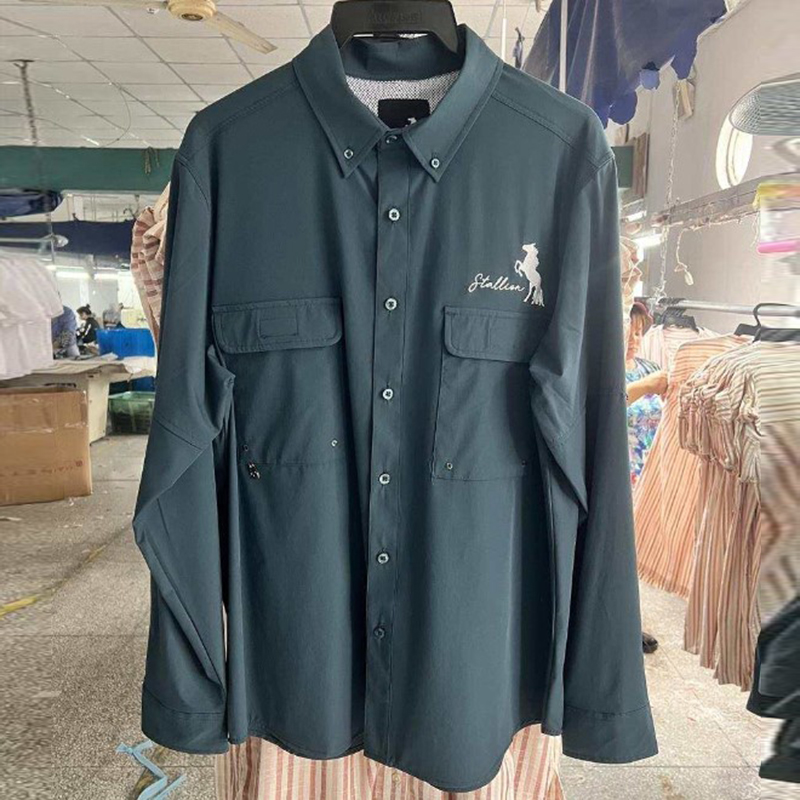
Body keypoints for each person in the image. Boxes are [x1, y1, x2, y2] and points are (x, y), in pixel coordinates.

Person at [625, 301, 668, 656]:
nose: (633, 340)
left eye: (639, 333)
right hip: (617, 473)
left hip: (647, 474)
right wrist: (646, 386)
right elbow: (604, 406)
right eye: (628, 331)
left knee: (637, 552)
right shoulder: (603, 371)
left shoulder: (650, 368)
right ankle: (623, 623)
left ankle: (632, 619)